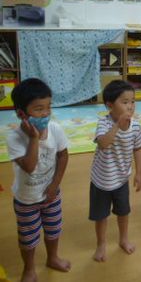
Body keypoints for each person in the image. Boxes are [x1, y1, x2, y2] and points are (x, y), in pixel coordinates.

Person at [8, 78, 71, 282]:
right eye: (38, 109)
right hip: (27, 199)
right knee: (28, 238)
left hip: (51, 194)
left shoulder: (55, 129)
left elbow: (63, 155)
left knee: (53, 229)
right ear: (21, 114)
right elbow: (29, 166)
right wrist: (34, 138)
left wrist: (54, 185)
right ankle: (29, 269)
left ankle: (52, 258)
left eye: (48, 107)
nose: (45, 113)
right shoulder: (15, 138)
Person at [89, 80, 141, 262]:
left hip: (121, 179)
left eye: (132, 101)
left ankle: (123, 239)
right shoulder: (104, 123)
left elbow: (138, 148)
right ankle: (101, 244)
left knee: (123, 212)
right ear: (110, 105)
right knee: (101, 216)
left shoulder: (135, 126)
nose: (130, 106)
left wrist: (139, 173)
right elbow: (103, 143)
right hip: (101, 180)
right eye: (125, 102)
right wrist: (117, 126)